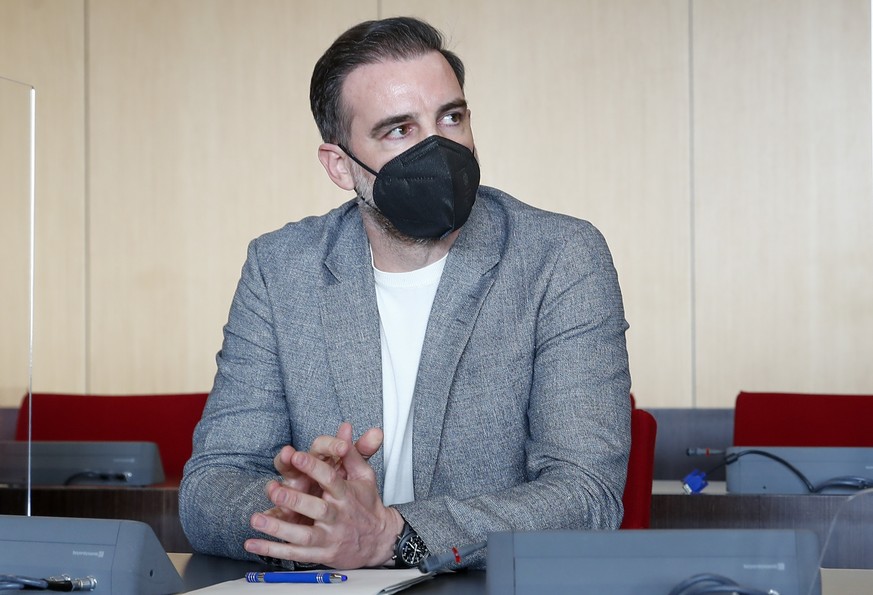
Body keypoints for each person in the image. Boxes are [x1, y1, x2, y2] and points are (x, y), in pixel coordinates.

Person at [179, 16, 631, 571]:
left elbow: (587, 494)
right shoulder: (281, 269)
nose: (438, 147)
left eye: (452, 117)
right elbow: (208, 488)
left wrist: (395, 535)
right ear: (340, 165)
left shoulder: (559, 257)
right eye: (399, 129)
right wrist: (307, 517)